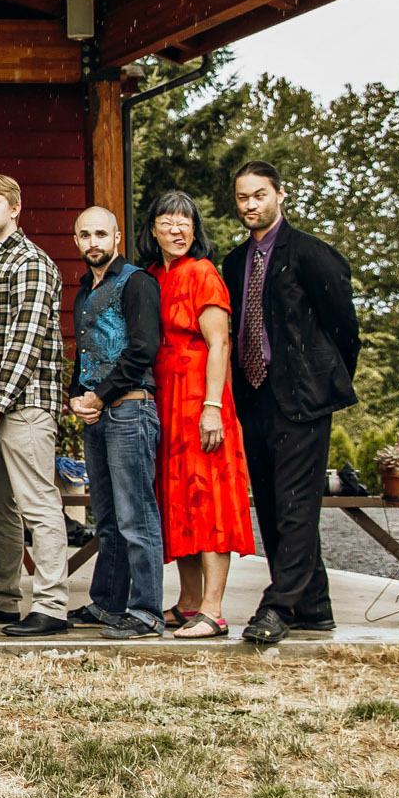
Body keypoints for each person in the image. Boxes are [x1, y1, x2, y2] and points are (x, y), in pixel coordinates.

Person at [224, 162, 360, 647]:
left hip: (302, 400)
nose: (250, 205)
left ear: (281, 195)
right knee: (275, 505)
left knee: (297, 507)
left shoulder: (312, 255)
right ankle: (314, 607)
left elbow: (344, 330)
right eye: (242, 197)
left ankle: (279, 606)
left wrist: (319, 381)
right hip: (254, 399)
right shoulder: (236, 262)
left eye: (259, 195)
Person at [142, 191, 256, 639]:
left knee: (208, 502)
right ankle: (188, 603)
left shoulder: (202, 274)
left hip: (201, 401)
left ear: (195, 229)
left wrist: (212, 407)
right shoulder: (152, 275)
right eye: (167, 220)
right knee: (179, 504)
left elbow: (220, 345)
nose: (176, 228)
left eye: (184, 221)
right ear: (153, 229)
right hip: (165, 402)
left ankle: (213, 610)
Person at [0, 173, 71, 637]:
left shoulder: (30, 262)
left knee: (37, 505)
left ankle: (51, 605)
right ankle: (7, 599)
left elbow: (24, 344)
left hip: (23, 402)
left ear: (15, 209)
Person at [67, 205, 165, 641]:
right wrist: (76, 398)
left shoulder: (137, 282)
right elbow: (84, 356)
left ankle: (146, 613)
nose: (93, 242)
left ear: (117, 237)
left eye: (101, 234)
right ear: (76, 241)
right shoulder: (84, 292)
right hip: (99, 413)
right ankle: (108, 602)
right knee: (106, 516)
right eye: (85, 235)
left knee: (136, 516)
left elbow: (143, 349)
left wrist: (100, 395)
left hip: (131, 408)